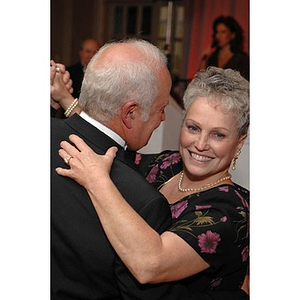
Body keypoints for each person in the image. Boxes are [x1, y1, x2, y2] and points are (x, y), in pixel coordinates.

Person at [53, 38, 242, 300]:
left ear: (240, 142)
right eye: (193, 127)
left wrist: (99, 181)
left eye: (218, 135)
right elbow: (107, 132)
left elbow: (150, 266)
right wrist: (65, 99)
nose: (200, 144)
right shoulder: (164, 165)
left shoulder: (232, 211)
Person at [199, 16, 249, 80]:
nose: (218, 36)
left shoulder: (241, 58)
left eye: (223, 32)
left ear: (232, 35)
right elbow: (201, 79)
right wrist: (204, 59)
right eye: (217, 32)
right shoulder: (213, 57)